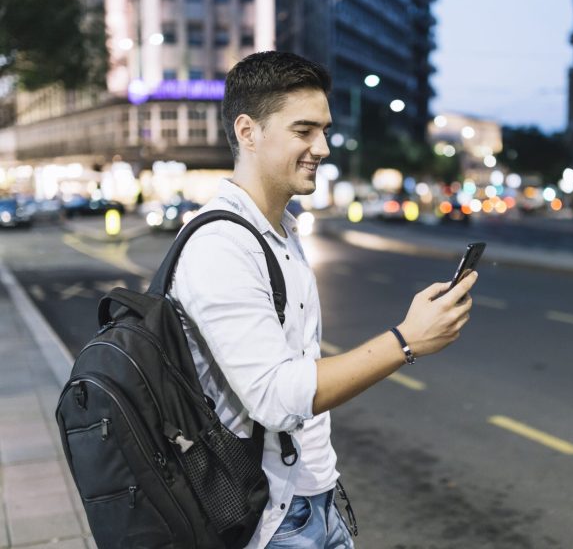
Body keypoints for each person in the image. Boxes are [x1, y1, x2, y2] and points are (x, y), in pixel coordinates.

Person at [168, 51, 477, 549]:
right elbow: (275, 396)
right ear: (248, 132)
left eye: (325, 130)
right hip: (270, 521)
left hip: (315, 500)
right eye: (304, 130)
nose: (324, 147)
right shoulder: (220, 246)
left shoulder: (280, 231)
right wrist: (406, 340)